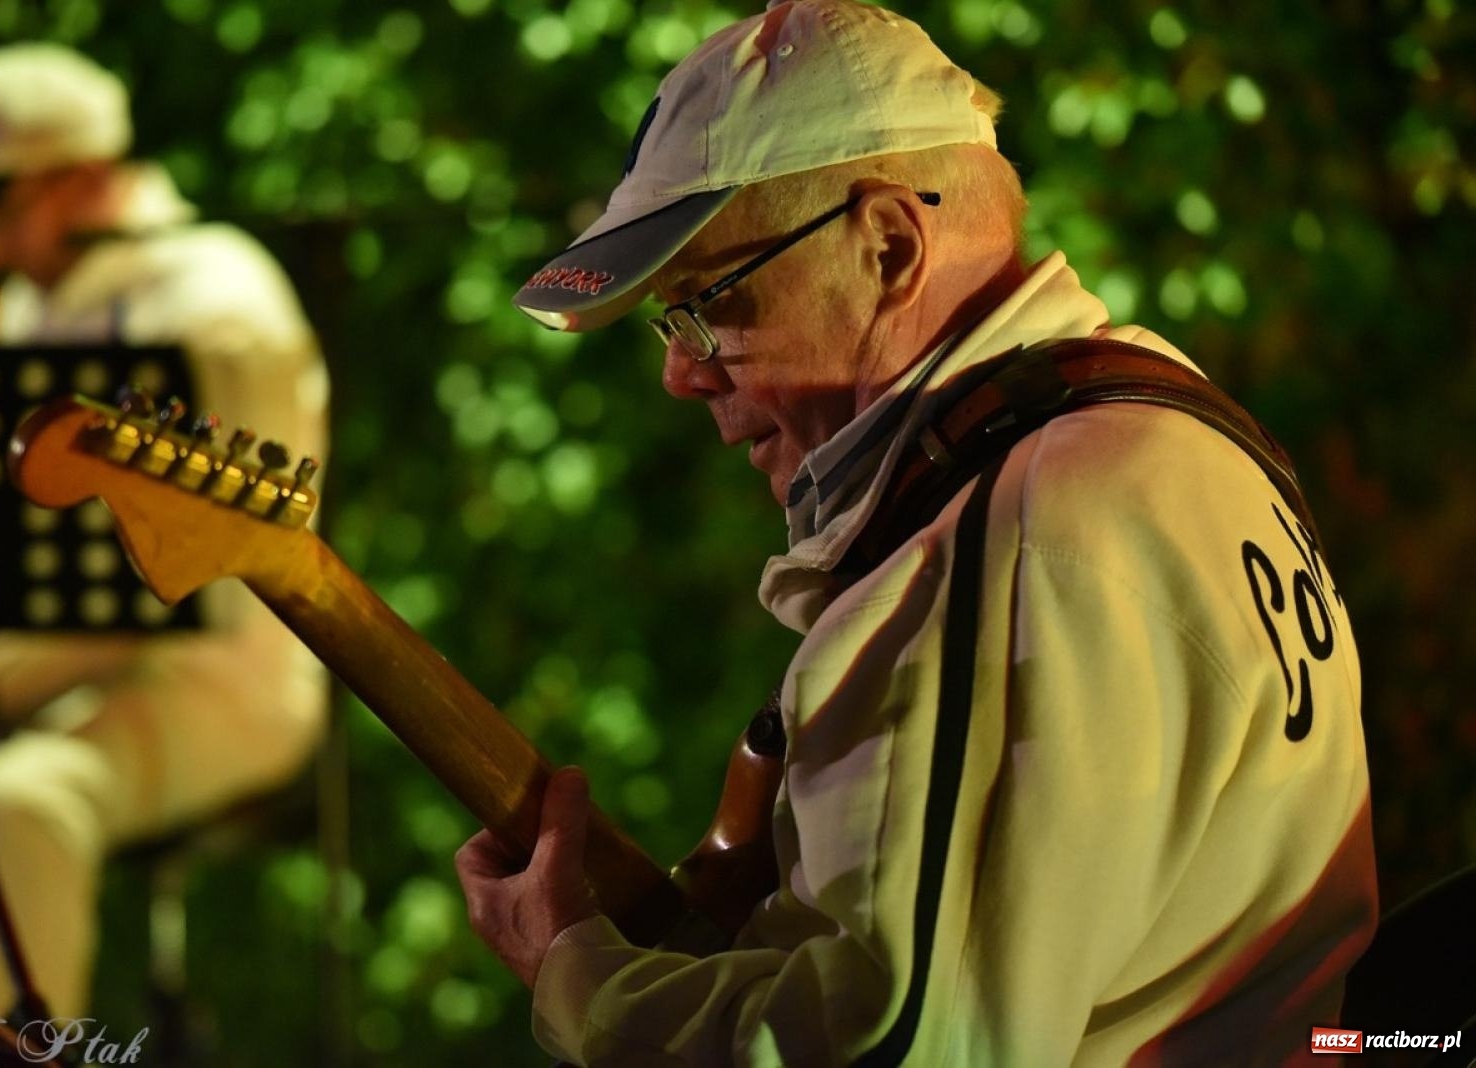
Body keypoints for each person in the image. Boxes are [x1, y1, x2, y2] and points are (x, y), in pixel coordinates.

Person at [458, 1, 1377, 1063]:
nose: (680, 371)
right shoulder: (1169, 436)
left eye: (706, 302)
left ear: (888, 245)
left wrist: (572, 972)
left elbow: (899, 1049)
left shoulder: (1019, 534)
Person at [0, 42, 330, 1018]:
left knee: (24, 801)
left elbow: (200, 580)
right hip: (54, 666)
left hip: (219, 674)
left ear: (82, 179)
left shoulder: (217, 307)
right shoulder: (40, 300)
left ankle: (1, 1047)